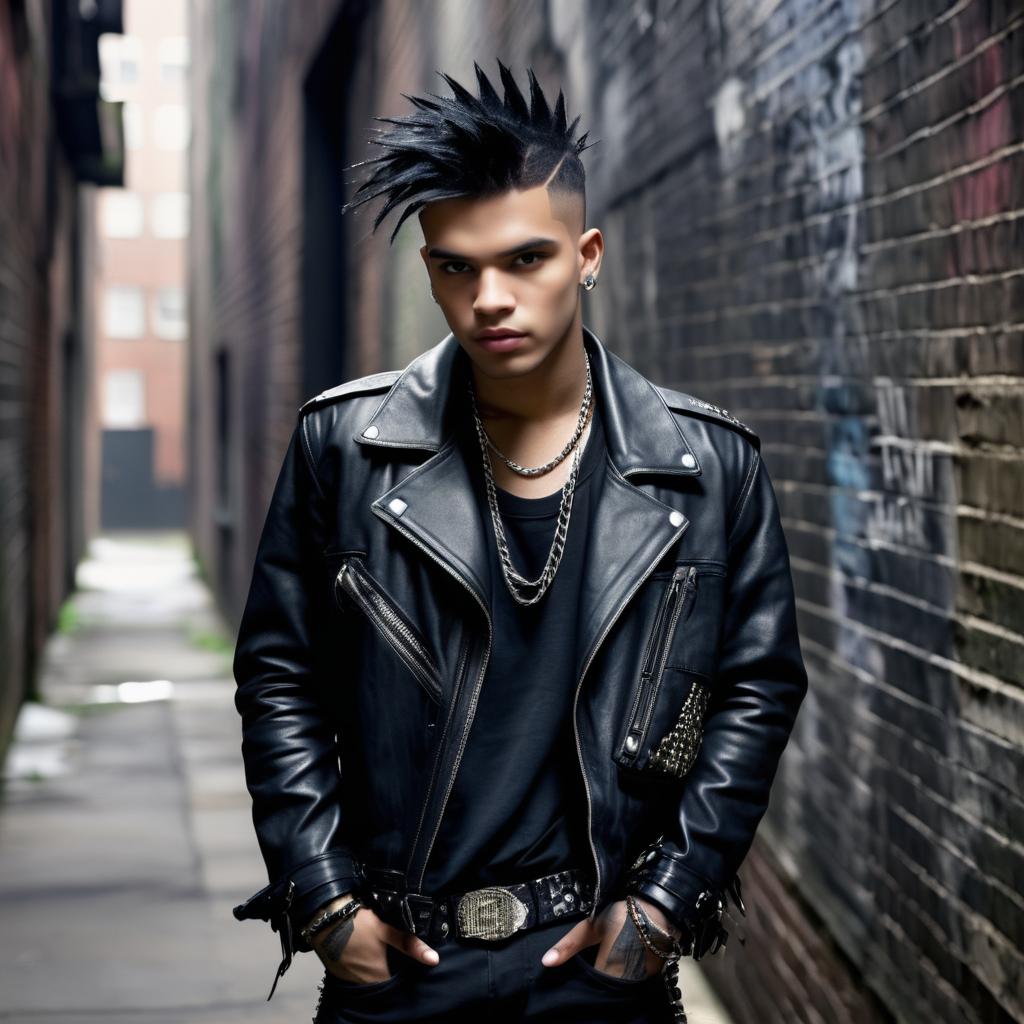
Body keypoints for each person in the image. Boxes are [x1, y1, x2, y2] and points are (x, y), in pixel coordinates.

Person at [231, 60, 808, 1024]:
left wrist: (664, 904)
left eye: (525, 260)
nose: (489, 297)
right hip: (399, 963)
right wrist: (326, 901)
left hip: (597, 966)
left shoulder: (706, 466)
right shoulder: (343, 448)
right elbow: (280, 674)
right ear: (430, 268)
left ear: (587, 253)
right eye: (458, 266)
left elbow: (756, 686)